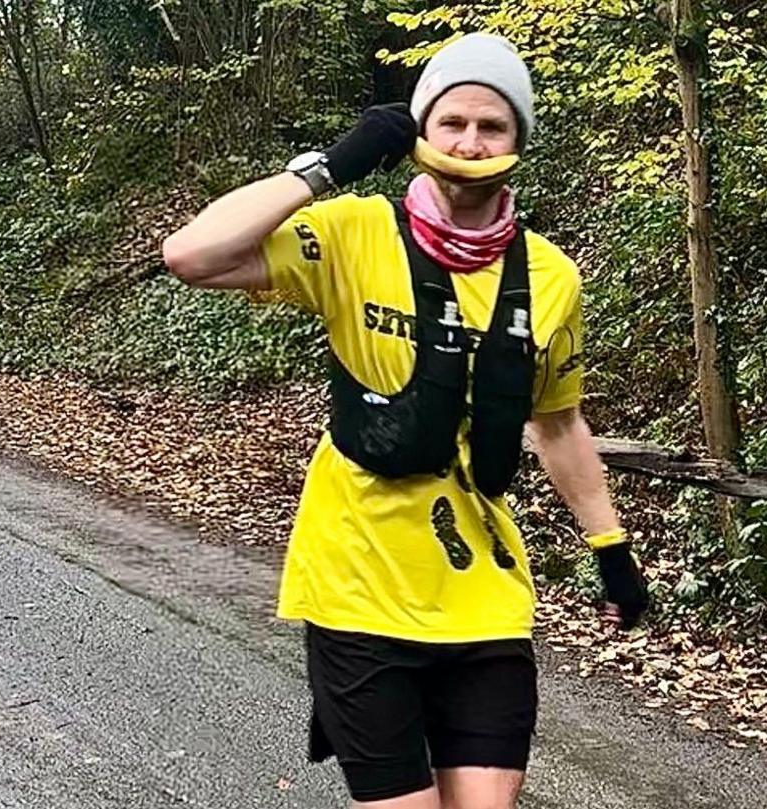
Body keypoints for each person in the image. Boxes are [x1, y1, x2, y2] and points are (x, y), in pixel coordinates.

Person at [162, 33, 649, 809]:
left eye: (492, 126)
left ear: (519, 142)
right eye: (451, 121)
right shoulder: (357, 233)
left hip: (483, 595)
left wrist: (610, 546)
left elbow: (558, 424)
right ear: (421, 132)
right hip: (358, 586)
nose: (470, 141)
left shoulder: (551, 277)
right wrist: (329, 165)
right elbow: (193, 255)